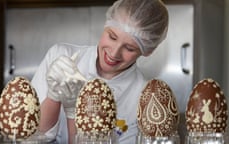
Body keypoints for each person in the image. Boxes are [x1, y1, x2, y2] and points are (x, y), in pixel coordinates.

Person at [31, 0, 169, 143]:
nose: (114, 53)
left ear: (148, 51)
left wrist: (73, 110)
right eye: (112, 37)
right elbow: (31, 138)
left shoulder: (142, 98)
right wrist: (53, 96)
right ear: (106, 24)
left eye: (129, 48)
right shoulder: (60, 56)